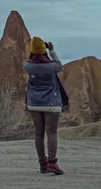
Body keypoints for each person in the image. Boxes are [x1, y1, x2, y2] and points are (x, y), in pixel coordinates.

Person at [24, 37, 66, 175]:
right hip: (51, 104)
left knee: (38, 133)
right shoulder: (52, 67)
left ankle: (43, 164)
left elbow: (29, 61)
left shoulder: (28, 66)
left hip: (34, 104)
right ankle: (52, 163)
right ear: (44, 50)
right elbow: (59, 65)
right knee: (51, 133)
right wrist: (52, 50)